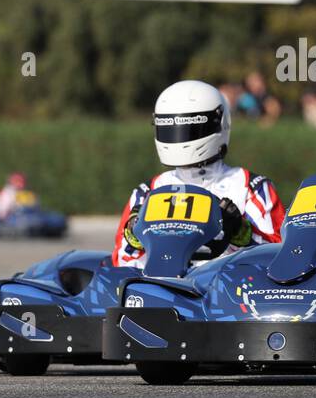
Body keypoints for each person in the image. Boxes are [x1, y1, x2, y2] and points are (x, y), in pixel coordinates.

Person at [114, 80, 285, 267]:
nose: (179, 138)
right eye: (173, 129)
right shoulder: (147, 192)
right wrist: (135, 235)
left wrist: (240, 232)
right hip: (164, 290)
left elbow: (277, 256)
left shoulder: (249, 187)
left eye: (189, 128)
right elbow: (122, 262)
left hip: (223, 291)